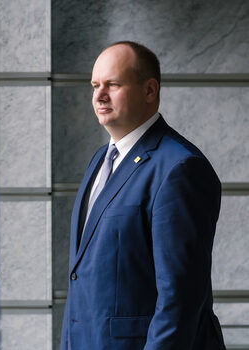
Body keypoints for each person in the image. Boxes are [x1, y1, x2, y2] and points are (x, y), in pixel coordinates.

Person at [60, 41, 226, 350]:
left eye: (113, 84)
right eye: (95, 85)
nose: (99, 95)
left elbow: (180, 298)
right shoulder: (100, 159)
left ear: (149, 91)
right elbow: (81, 279)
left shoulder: (180, 168)